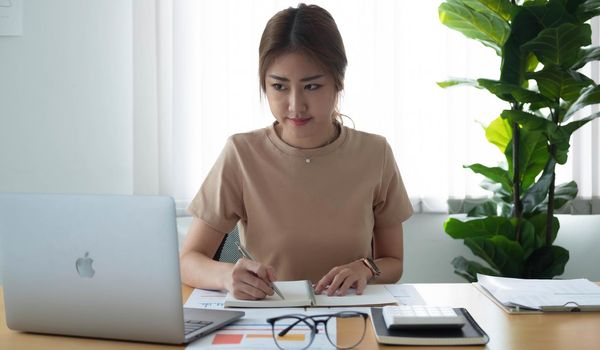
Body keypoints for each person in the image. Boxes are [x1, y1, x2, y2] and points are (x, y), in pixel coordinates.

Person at [180, 3, 412, 300]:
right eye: (279, 86)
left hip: (352, 316)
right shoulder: (241, 153)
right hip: (268, 319)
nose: (295, 105)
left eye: (312, 86)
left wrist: (364, 269)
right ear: (264, 85)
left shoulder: (375, 153)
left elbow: (394, 263)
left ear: (338, 82)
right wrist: (227, 276)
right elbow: (188, 260)